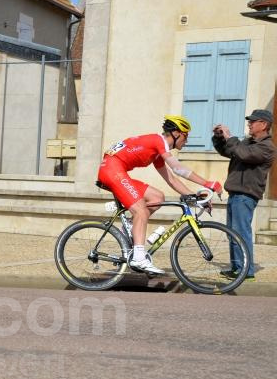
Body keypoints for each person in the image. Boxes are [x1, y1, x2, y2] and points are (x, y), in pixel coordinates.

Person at [97, 115, 222, 275]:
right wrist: (207, 183)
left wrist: (195, 198)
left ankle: (131, 224)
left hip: (115, 170)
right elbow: (177, 168)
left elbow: (172, 179)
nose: (187, 141)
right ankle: (139, 258)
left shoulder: (157, 152)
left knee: (158, 197)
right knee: (141, 211)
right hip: (112, 170)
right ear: (176, 133)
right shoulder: (158, 141)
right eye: (186, 136)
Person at [212, 109, 276, 281]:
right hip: (236, 194)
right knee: (233, 233)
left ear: (263, 125)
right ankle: (237, 268)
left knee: (241, 232)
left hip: (246, 195)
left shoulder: (267, 147)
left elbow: (242, 154)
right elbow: (229, 151)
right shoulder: (248, 143)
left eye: (253, 121)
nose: (249, 124)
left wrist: (230, 136)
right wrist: (219, 138)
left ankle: (246, 271)